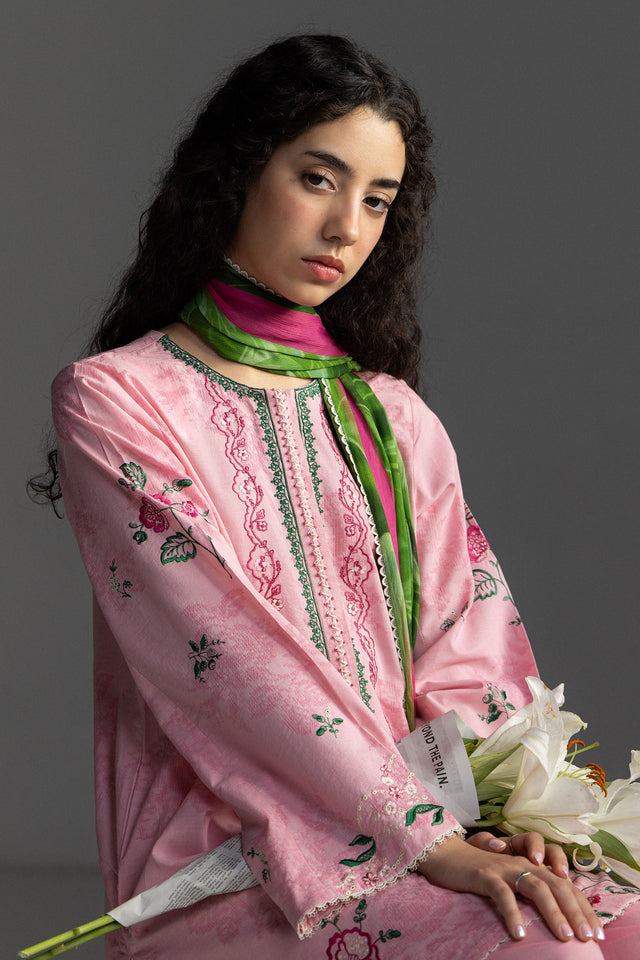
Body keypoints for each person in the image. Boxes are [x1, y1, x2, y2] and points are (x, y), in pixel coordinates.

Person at [31, 34, 639, 959]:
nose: (347, 226)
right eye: (318, 179)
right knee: (544, 949)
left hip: (437, 828)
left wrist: (510, 820)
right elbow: (229, 663)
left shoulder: (391, 414)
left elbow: (467, 640)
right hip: (229, 853)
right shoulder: (118, 400)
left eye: (377, 199)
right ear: (237, 171)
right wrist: (425, 839)